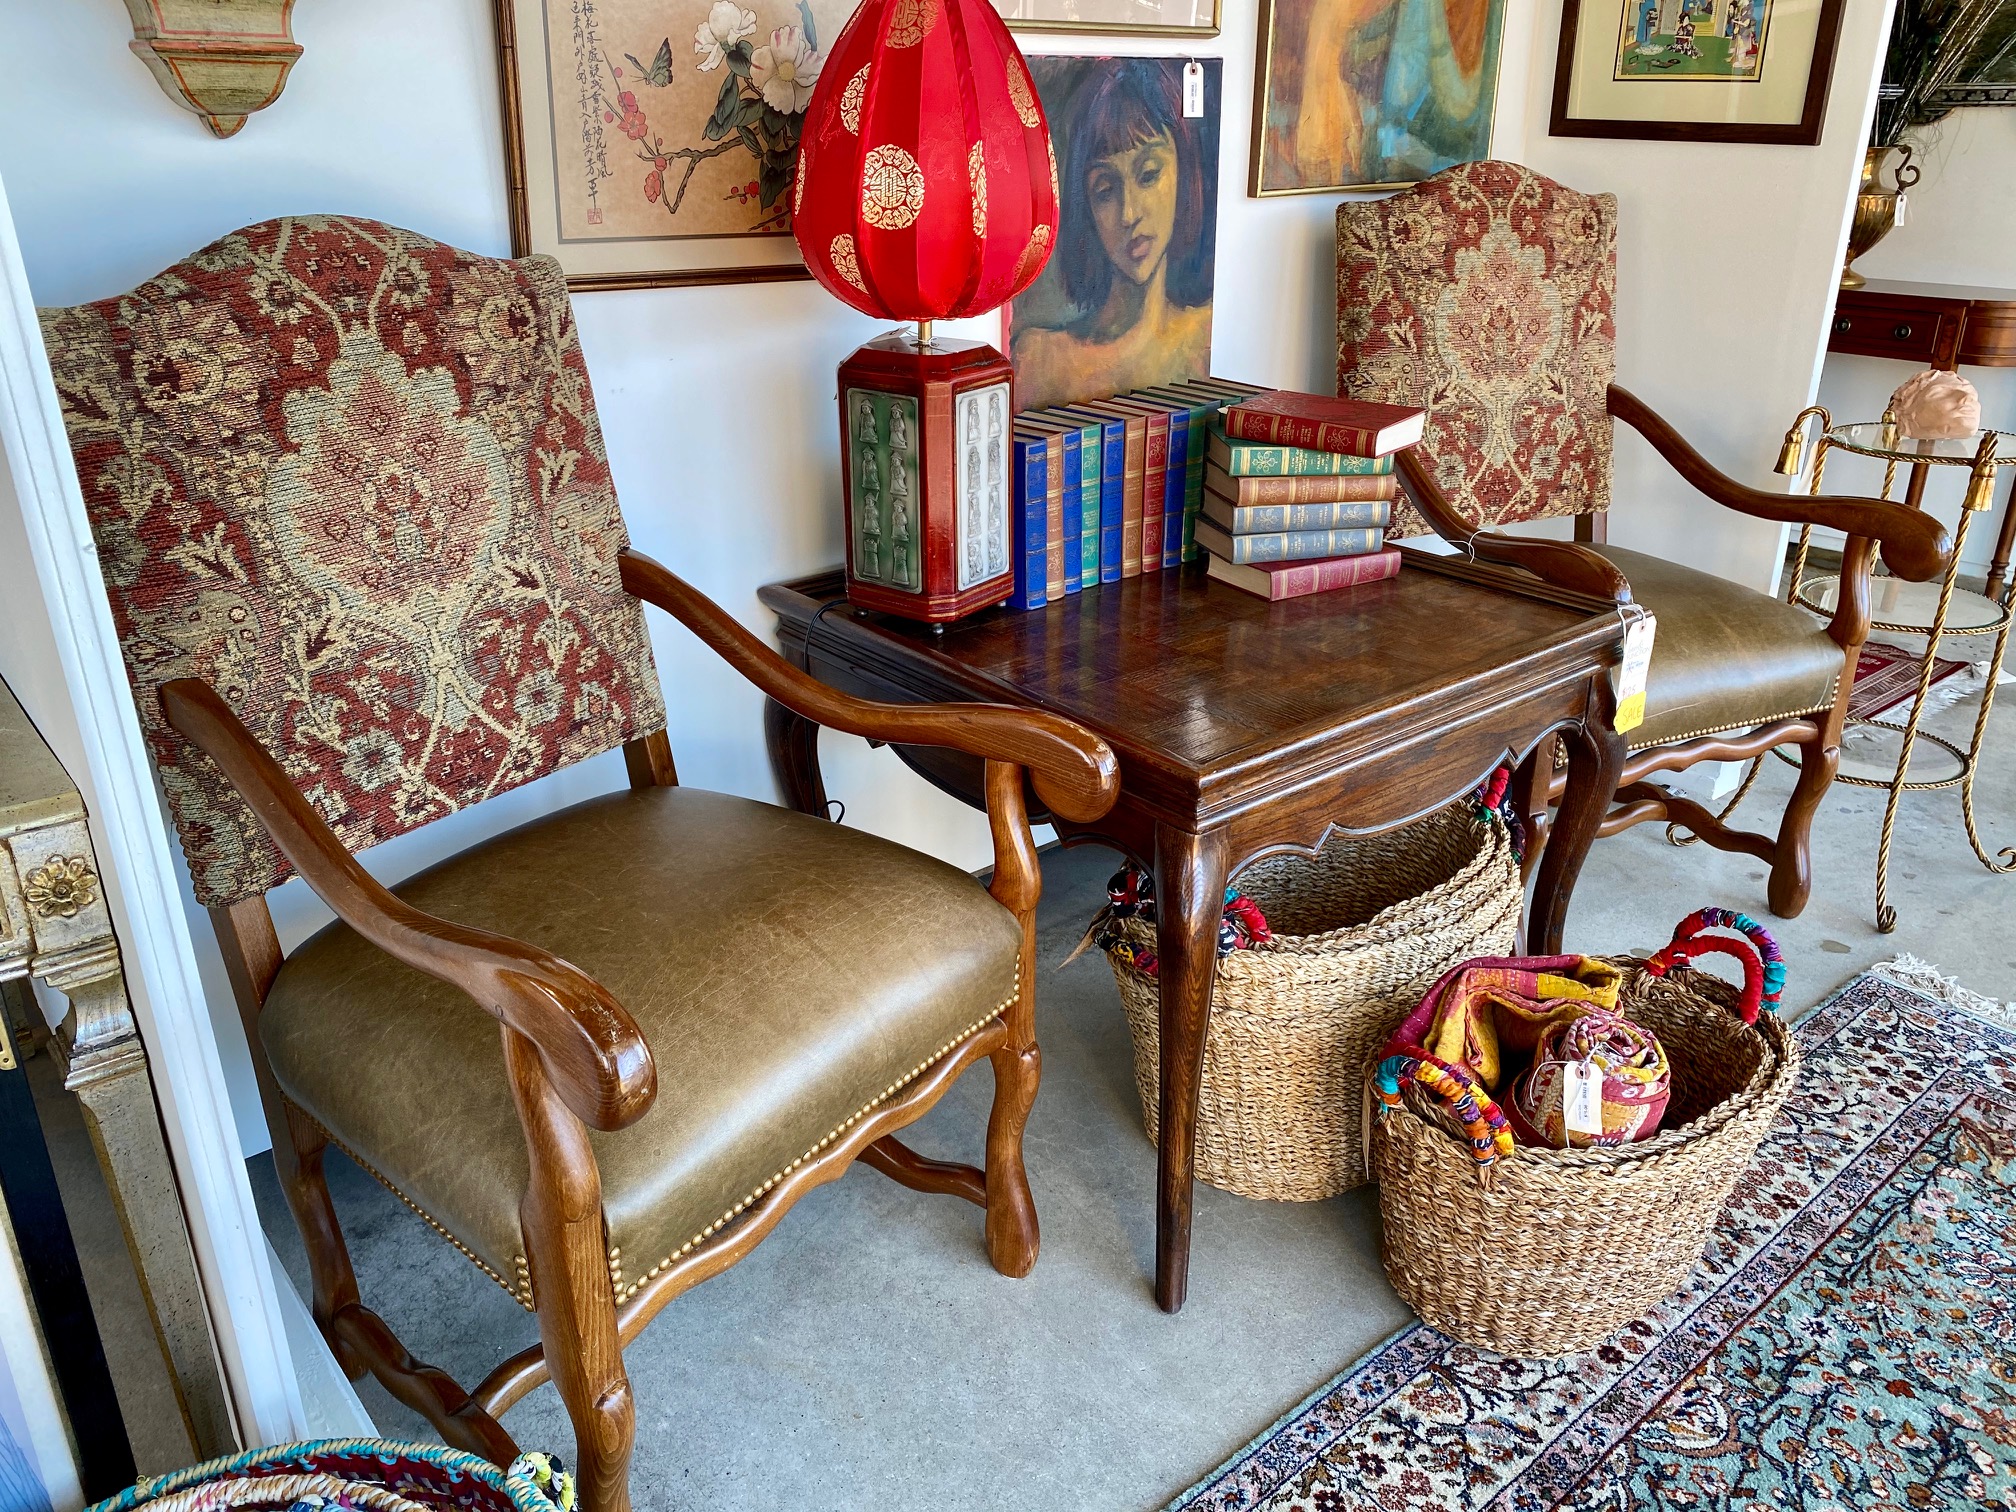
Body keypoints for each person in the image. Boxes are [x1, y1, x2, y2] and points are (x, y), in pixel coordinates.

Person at [1010, 61, 1213, 411]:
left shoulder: (1204, 338)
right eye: (1105, 190)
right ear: (1085, 207)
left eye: (1148, 175)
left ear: (1184, 169)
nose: (1129, 214)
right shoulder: (1039, 360)